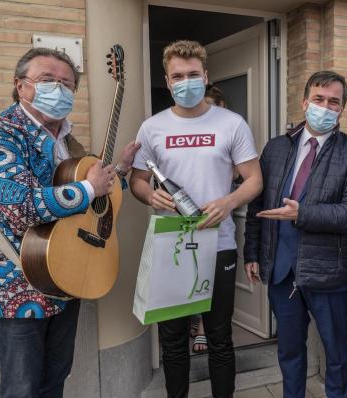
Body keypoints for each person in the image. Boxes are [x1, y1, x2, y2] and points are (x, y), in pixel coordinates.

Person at [0, 48, 139, 398]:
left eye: (66, 83)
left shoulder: (67, 141)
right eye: (48, 80)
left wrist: (117, 171)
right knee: (22, 388)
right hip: (18, 283)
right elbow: (18, 207)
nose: (58, 89)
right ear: (21, 86)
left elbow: (90, 198)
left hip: (67, 277)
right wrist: (91, 187)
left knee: (54, 380)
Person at [129, 40, 262, 398]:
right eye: (177, 76)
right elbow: (137, 181)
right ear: (167, 80)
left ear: (205, 76)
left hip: (217, 244)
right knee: (172, 340)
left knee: (219, 337)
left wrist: (229, 201)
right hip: (171, 245)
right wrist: (149, 194)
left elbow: (254, 178)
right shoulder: (152, 127)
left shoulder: (231, 123)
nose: (185, 81)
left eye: (192, 74)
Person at [243, 71, 347, 398]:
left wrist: (303, 213)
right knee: (289, 351)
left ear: (342, 108)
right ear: (305, 102)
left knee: (338, 354)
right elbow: (257, 203)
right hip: (281, 271)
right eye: (319, 99)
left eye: (334, 101)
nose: (325, 107)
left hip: (327, 272)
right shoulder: (276, 148)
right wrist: (252, 253)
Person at [190, 83, 228, 354]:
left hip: (219, 226)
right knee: (188, 280)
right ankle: (194, 322)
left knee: (211, 287)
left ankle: (203, 328)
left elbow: (246, 176)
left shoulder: (230, 131)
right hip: (182, 229)